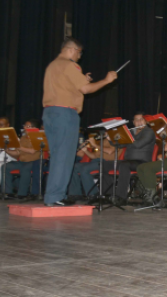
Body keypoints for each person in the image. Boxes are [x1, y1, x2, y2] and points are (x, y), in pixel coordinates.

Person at [42, 38, 118, 206]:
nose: (79, 57)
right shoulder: (70, 65)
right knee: (65, 157)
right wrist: (107, 80)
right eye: (79, 53)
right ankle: (55, 197)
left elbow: (68, 86)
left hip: (50, 112)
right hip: (65, 113)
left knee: (57, 156)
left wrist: (82, 79)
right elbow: (85, 89)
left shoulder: (53, 65)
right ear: (72, 49)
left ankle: (53, 195)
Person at [92, 112, 156, 203]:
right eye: (136, 120)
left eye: (141, 119)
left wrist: (125, 135)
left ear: (146, 121)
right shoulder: (132, 132)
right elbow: (120, 145)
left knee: (124, 165)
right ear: (133, 122)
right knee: (104, 165)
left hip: (142, 162)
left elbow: (138, 144)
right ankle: (108, 195)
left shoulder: (149, 132)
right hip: (129, 161)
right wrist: (111, 140)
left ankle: (121, 197)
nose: (139, 122)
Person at [4, 119, 46, 200]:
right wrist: (7, 150)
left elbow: (32, 151)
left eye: (27, 126)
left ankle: (22, 194)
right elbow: (18, 153)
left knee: (25, 168)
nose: (25, 127)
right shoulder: (23, 137)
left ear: (34, 128)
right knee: (5, 166)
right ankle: (8, 192)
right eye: (24, 125)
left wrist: (18, 146)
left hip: (34, 161)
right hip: (22, 161)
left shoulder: (39, 137)